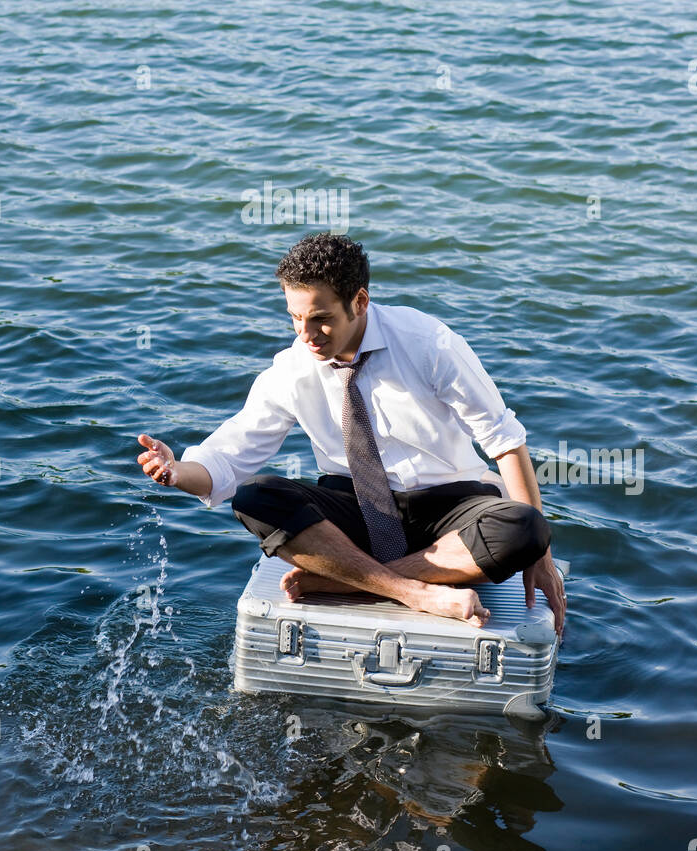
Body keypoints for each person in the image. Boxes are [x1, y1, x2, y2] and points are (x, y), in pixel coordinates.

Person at [137, 233, 565, 636]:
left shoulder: (430, 344)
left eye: (321, 320)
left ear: (359, 301)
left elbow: (505, 441)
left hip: (450, 511)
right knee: (255, 497)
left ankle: (352, 584)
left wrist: (539, 556)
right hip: (355, 511)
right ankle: (411, 590)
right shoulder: (292, 367)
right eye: (295, 318)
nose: (306, 335)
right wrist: (177, 472)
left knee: (525, 526)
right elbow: (229, 459)